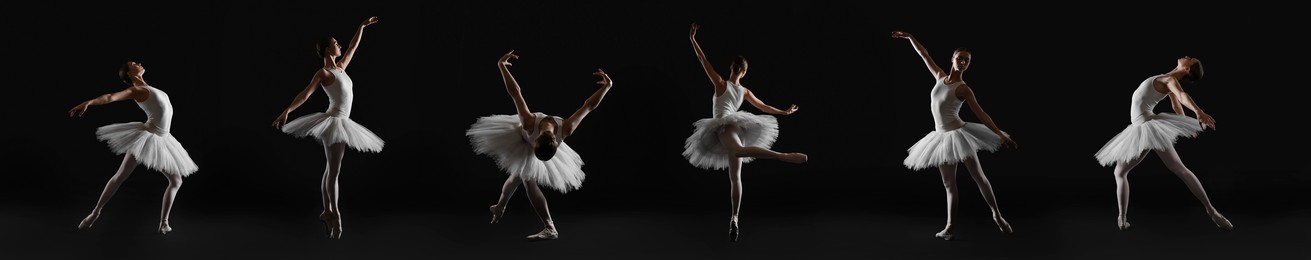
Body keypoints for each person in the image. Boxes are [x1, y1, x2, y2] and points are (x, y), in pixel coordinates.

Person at [468, 50, 615, 241]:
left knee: (527, 179)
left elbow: (589, 106)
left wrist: (607, 87)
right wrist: (502, 67)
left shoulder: (559, 128)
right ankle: (501, 207)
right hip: (519, 139)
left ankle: (547, 226)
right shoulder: (534, 124)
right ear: (536, 141)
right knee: (519, 176)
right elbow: (515, 92)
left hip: (529, 141)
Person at [686, 23, 808, 242]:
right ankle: (734, 217)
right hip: (740, 126)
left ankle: (782, 156)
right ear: (743, 72)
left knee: (738, 155)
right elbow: (762, 107)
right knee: (735, 177)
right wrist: (783, 112)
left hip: (725, 125)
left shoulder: (720, 83)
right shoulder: (744, 91)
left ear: (731, 68)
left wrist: (693, 39)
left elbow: (703, 61)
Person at [892, 30, 1016, 240]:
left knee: (978, 176)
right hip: (940, 137)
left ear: (969, 64)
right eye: (960, 59)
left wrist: (1000, 135)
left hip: (959, 135)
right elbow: (924, 55)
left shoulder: (964, 89)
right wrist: (910, 38)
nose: (963, 63)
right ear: (952, 59)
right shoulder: (940, 76)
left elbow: (982, 113)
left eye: (967, 61)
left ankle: (997, 215)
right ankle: (950, 227)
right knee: (949, 183)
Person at [272, 16, 382, 239]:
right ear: (327, 49)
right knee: (334, 170)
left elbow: (352, 46)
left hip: (342, 121)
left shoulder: (341, 67)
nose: (339, 45)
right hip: (334, 121)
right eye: (335, 43)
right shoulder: (323, 74)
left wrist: (361, 26)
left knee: (331, 169)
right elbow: (305, 94)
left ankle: (327, 211)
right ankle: (335, 212)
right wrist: (286, 111)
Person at [1093, 56, 1233, 231]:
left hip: (1147, 126)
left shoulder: (1169, 79)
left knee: (1179, 169)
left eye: (1190, 59)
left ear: (1187, 68)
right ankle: (1122, 218)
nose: (1187, 56)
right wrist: (1183, 124)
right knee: (1120, 172)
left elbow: (1182, 96)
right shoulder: (1167, 79)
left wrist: (1198, 111)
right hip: (1139, 128)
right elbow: (1176, 104)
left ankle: (1212, 211)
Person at [69, 60, 198, 235]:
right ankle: (95, 212)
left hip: (164, 138)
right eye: (134, 63)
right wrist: (89, 102)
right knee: (120, 176)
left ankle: (164, 223)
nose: (139, 63)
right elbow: (110, 97)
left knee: (176, 181)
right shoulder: (136, 91)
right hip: (147, 138)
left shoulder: (150, 88)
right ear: (130, 73)